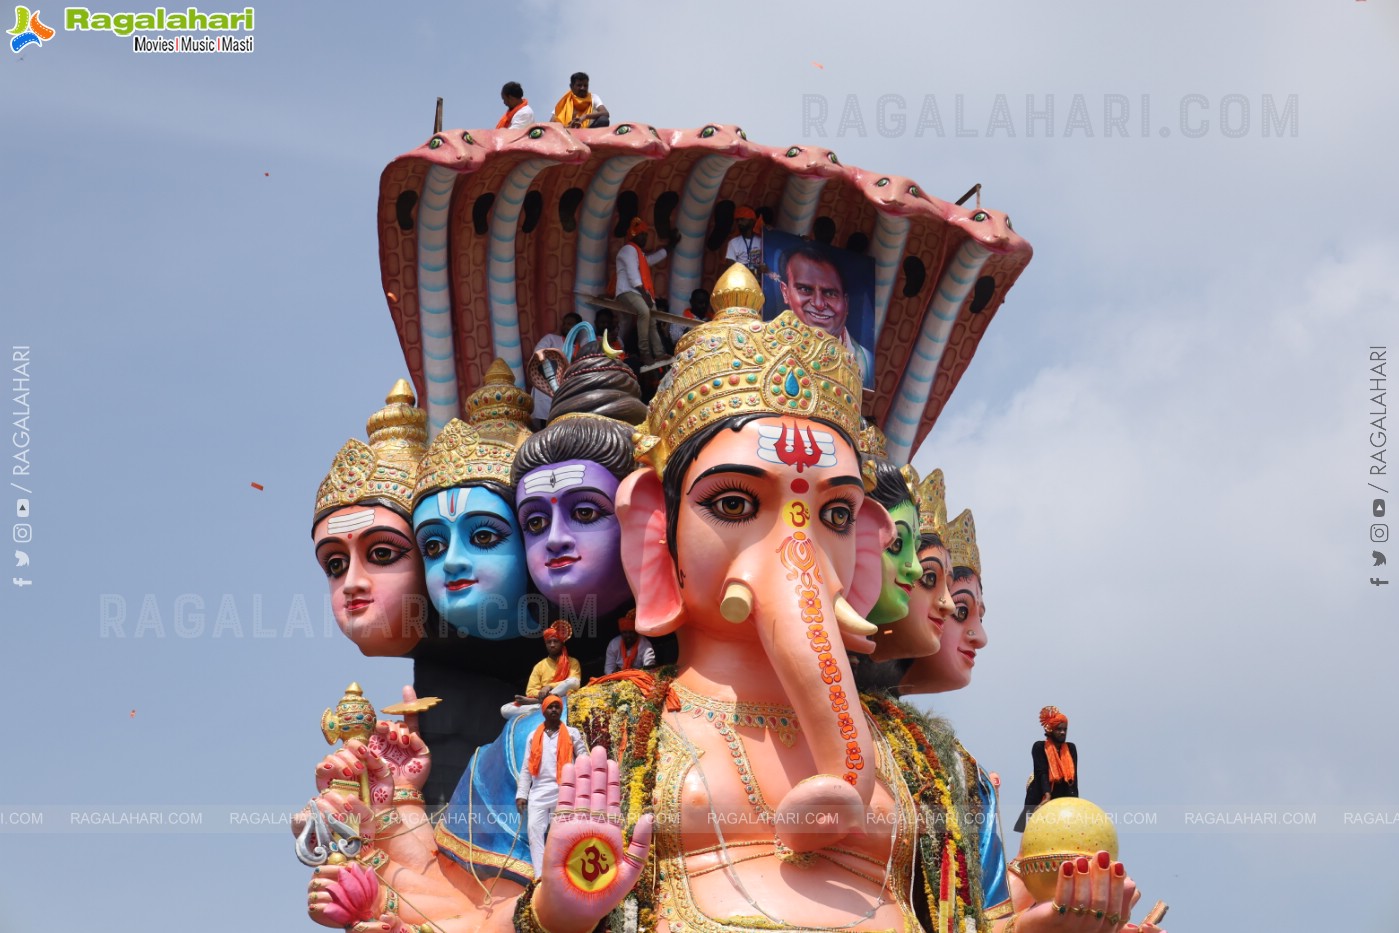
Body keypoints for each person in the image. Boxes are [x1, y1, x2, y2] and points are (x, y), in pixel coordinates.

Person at [777, 241, 873, 386]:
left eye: (830, 293)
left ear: (845, 302)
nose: (819, 304)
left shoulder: (866, 362)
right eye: (805, 289)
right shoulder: (768, 349)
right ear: (785, 293)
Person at [515, 695, 588, 875]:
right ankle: (540, 877)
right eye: (550, 707)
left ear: (561, 710)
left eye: (557, 707)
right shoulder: (533, 736)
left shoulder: (572, 733)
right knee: (534, 832)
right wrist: (522, 794)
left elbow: (583, 756)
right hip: (538, 791)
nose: (554, 710)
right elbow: (526, 767)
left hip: (563, 791)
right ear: (544, 711)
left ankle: (560, 875)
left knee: (559, 835)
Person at [614, 218, 673, 365]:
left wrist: (671, 246)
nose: (645, 238)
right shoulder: (628, 249)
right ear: (634, 235)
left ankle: (659, 354)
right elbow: (632, 273)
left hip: (640, 292)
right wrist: (644, 293)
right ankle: (645, 353)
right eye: (642, 234)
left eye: (646, 235)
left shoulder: (640, 253)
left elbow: (653, 259)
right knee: (644, 312)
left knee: (652, 320)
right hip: (627, 292)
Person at [1014, 705, 1079, 833]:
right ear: (1050, 730)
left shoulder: (1071, 748)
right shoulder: (1039, 747)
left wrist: (1075, 802)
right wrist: (1047, 796)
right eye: (1059, 729)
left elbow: (1073, 777)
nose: (1062, 732)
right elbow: (1041, 772)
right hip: (1041, 792)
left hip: (1063, 793)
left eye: (1065, 729)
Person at [531, 312, 579, 427]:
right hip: (547, 386)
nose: (566, 326)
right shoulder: (551, 339)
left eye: (570, 324)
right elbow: (538, 353)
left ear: (578, 327)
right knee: (546, 424)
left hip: (568, 388)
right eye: (565, 323)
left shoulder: (580, 346)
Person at [724, 206, 767, 277]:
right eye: (737, 220)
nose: (739, 223)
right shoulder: (733, 242)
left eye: (742, 219)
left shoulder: (763, 240)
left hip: (761, 282)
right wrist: (754, 272)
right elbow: (730, 268)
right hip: (741, 283)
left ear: (752, 220)